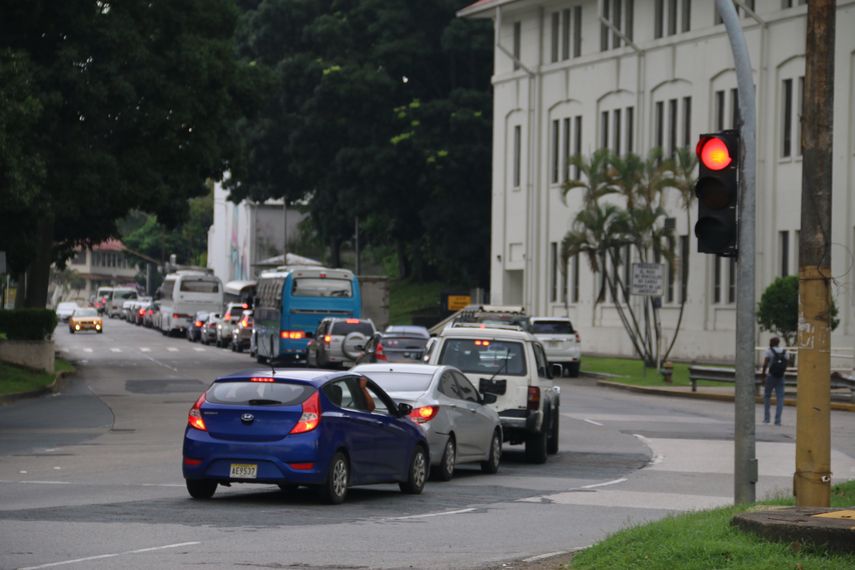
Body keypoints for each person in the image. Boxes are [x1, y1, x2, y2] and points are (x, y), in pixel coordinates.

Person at [761, 337, 787, 425]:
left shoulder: (769, 351)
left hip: (771, 376)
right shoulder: (784, 351)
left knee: (767, 396)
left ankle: (767, 418)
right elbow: (786, 363)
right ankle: (778, 420)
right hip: (781, 377)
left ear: (771, 342)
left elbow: (765, 364)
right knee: (780, 398)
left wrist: (763, 376)